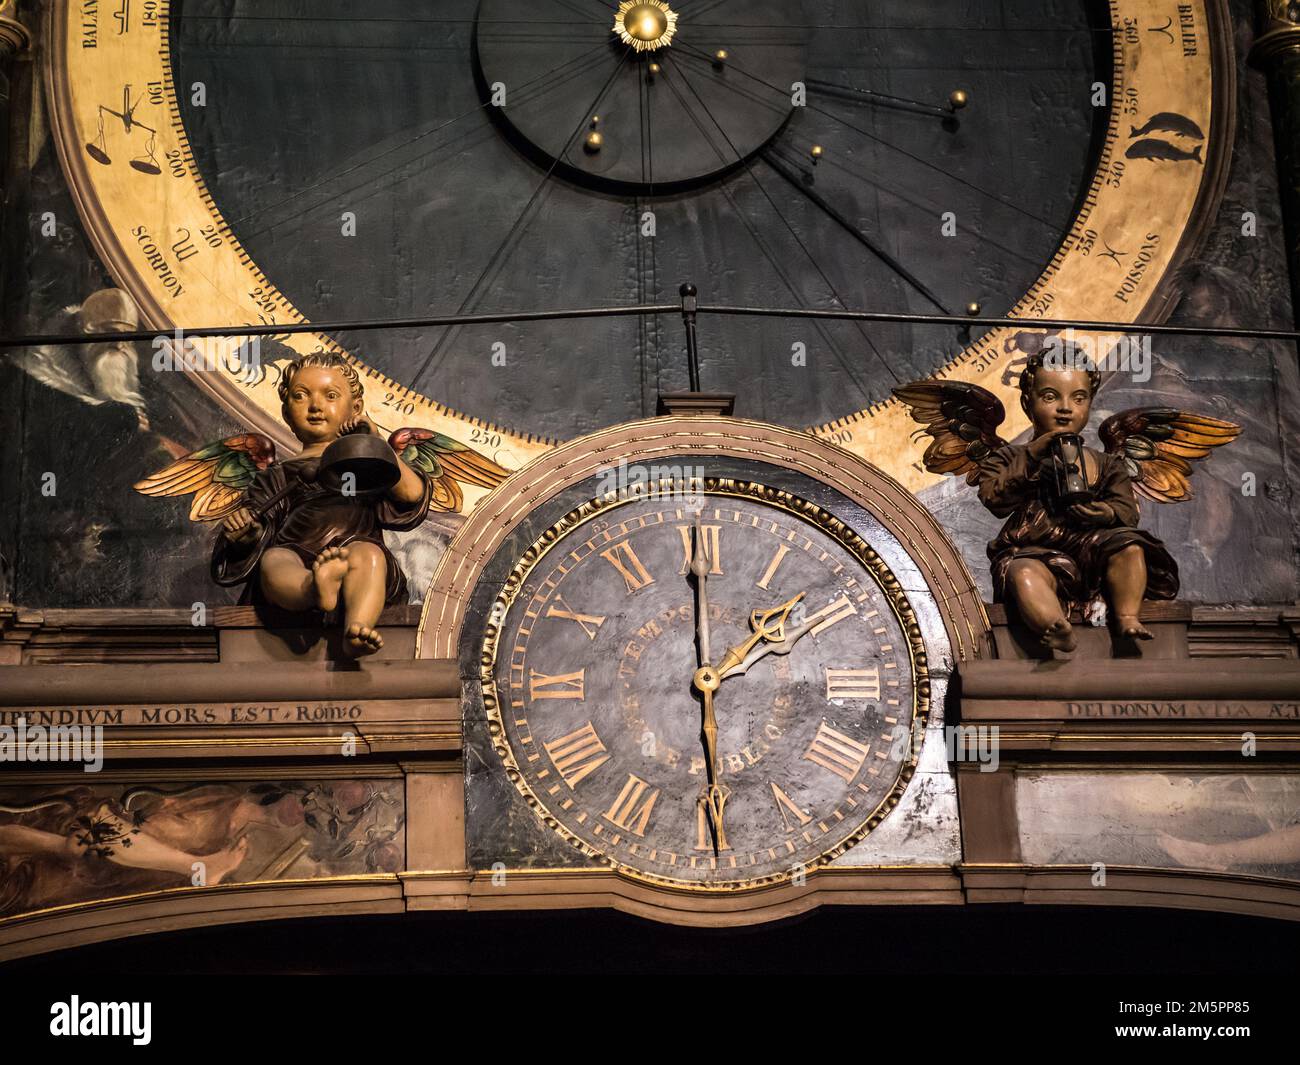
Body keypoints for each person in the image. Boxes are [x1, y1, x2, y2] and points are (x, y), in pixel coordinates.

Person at [212, 353, 432, 656]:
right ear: (286, 412)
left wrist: (376, 445)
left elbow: (411, 495)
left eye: (330, 396)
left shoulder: (364, 463)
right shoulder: (277, 476)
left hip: (355, 547)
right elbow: (259, 521)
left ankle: (357, 627)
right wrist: (246, 532)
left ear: (355, 408)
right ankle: (313, 589)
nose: (315, 406)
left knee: (369, 556)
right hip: (295, 552)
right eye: (301, 396)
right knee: (273, 562)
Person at [976, 352, 1178, 651]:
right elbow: (995, 498)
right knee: (1023, 573)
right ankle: (1054, 625)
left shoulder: (1106, 463)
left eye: (1079, 398)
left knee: (1130, 547)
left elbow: (1126, 510)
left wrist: (1106, 512)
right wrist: (1033, 454)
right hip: (1035, 549)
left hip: (1093, 549)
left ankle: (1126, 616)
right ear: (1027, 404)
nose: (1065, 408)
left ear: (1089, 405)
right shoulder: (1010, 457)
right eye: (1050, 397)